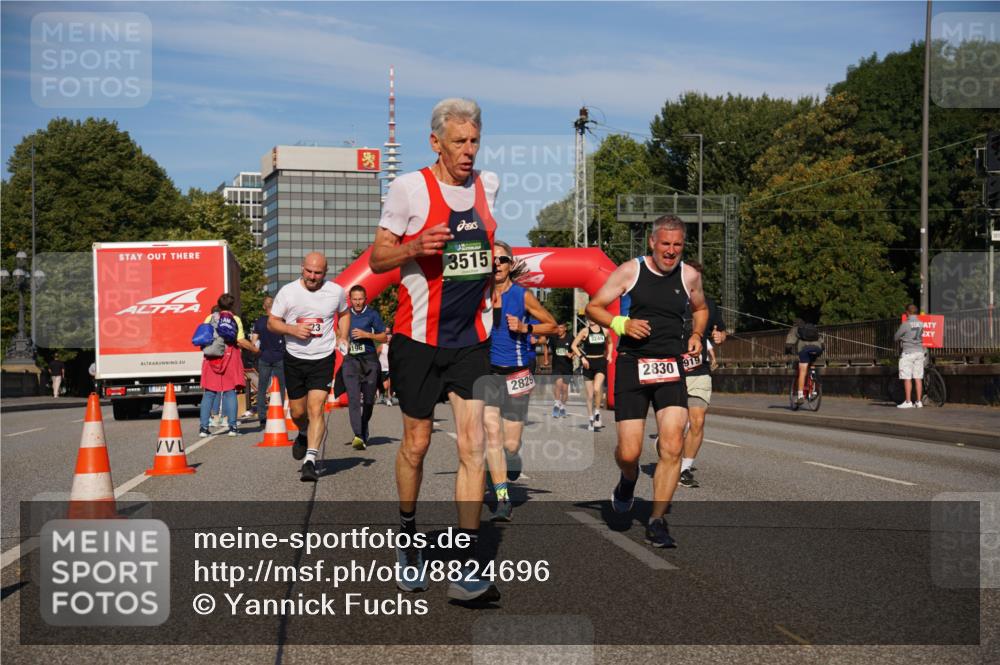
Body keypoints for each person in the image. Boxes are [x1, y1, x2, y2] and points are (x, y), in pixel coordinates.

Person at [369, 97, 501, 602]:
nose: (468, 152)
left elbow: (488, 241)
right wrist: (412, 248)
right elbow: (379, 257)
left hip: (472, 340)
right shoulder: (409, 189)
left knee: (473, 448)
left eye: (474, 142)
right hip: (417, 341)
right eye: (459, 143)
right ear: (436, 143)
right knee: (417, 446)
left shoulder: (487, 186)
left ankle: (467, 563)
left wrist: (497, 273)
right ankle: (407, 536)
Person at [586, 215, 708, 548]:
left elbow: (700, 309)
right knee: (630, 452)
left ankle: (657, 520)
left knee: (672, 445)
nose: (671, 251)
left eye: (677, 245)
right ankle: (627, 480)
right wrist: (621, 324)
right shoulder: (631, 271)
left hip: (671, 367)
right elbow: (593, 307)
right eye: (665, 244)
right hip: (632, 366)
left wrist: (697, 333)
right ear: (652, 243)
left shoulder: (689, 275)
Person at [482, 241, 557, 521]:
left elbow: (552, 325)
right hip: (487, 372)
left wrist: (526, 327)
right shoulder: (481, 294)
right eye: (492, 260)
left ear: (510, 265)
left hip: (517, 373)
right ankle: (502, 498)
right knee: (492, 434)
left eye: (501, 260)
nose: (497, 265)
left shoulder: (523, 295)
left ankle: (509, 458)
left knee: (510, 444)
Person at [268, 252, 350, 482]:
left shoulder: (335, 292)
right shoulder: (288, 292)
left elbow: (344, 313)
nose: (313, 277)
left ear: (326, 272)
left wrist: (342, 336)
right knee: (298, 412)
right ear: (302, 268)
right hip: (295, 357)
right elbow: (272, 322)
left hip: (323, 358)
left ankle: (310, 461)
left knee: (316, 408)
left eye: (318, 273)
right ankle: (302, 433)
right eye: (309, 271)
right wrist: (292, 330)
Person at [676, 261, 727, 489]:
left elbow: (720, 330)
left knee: (697, 421)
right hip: (672, 370)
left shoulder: (710, 305)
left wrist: (720, 337)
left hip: (699, 371)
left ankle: (684, 468)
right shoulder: (669, 302)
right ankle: (668, 449)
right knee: (676, 426)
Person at [199, 293, 257, 437]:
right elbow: (241, 340)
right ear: (232, 305)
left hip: (212, 357)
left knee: (209, 393)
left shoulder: (210, 318)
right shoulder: (235, 319)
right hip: (230, 357)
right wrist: (255, 349)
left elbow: (204, 337)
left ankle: (204, 428)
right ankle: (232, 427)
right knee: (230, 392)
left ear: (218, 304)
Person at [343, 285, 388, 450]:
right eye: (354, 299)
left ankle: (363, 426)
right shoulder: (345, 314)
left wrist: (367, 335)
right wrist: (341, 341)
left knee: (368, 401)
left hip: (369, 360)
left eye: (360, 299)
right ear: (350, 299)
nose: (357, 302)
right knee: (354, 399)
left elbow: (384, 337)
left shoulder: (372, 314)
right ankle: (358, 435)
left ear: (365, 298)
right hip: (351, 361)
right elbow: (337, 333)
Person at [571, 319, 612, 431]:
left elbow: (610, 342)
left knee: (597, 388)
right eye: (588, 318)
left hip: (600, 362)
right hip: (588, 363)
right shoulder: (584, 331)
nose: (590, 320)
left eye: (592, 317)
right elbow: (574, 345)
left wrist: (609, 355)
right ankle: (590, 419)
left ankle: (597, 414)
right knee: (589, 395)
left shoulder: (605, 331)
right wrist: (582, 357)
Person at [252, 296, 286, 429]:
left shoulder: (259, 322)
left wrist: (258, 351)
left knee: (262, 387)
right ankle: (279, 413)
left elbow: (254, 342)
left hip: (264, 357)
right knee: (281, 387)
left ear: (263, 307)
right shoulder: (281, 321)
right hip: (279, 357)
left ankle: (262, 417)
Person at [785, 317, 825, 405]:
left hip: (805, 350)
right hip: (817, 349)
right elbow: (822, 343)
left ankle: (800, 396)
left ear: (794, 324)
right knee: (812, 364)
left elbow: (788, 344)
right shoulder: (811, 328)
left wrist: (788, 351)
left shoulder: (795, 329)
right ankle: (814, 389)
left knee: (802, 371)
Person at [894, 304, 925, 409]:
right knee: (918, 377)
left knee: (907, 378)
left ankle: (908, 401)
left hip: (908, 352)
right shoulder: (921, 324)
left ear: (907, 312)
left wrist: (903, 338)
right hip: (920, 352)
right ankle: (919, 401)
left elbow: (896, 337)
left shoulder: (906, 324)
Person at [547, 323, 574, 418]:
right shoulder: (553, 338)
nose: (559, 329)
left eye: (561, 327)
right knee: (558, 384)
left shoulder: (570, 337)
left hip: (567, 367)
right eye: (558, 327)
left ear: (565, 328)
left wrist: (571, 354)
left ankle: (563, 407)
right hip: (556, 366)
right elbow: (546, 346)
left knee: (565, 389)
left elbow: (575, 348)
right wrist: (546, 359)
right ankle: (556, 404)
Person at [377, 327, 395, 405]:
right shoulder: (382, 346)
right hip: (382, 369)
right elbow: (375, 355)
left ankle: (389, 398)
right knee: (385, 386)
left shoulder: (393, 347)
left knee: (390, 384)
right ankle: (382, 395)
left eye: (390, 338)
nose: (388, 340)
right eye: (387, 338)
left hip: (391, 368)